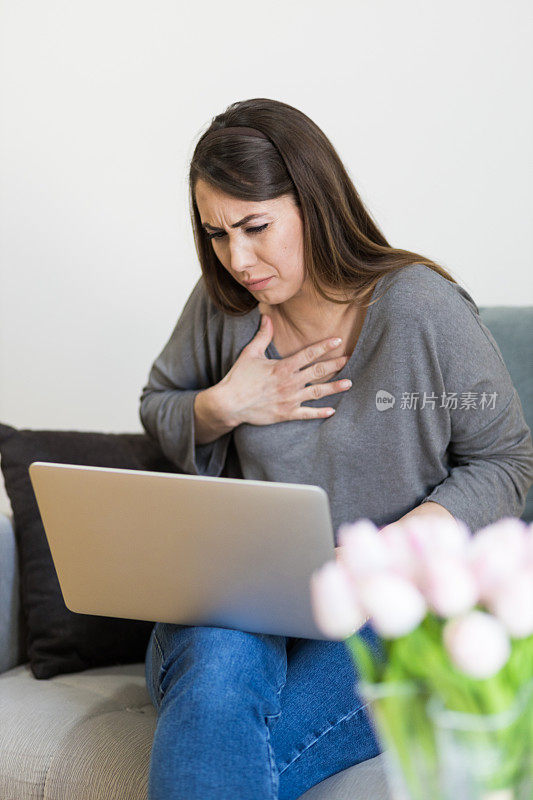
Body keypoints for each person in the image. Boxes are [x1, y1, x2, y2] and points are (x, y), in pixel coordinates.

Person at [138, 98, 533, 800]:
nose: (238, 259)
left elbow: (506, 461)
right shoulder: (221, 307)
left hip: (378, 611)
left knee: (223, 737)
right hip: (241, 601)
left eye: (255, 227)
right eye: (217, 233)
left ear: (314, 201)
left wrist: (391, 549)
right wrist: (223, 405)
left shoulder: (420, 310)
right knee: (221, 658)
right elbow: (158, 408)